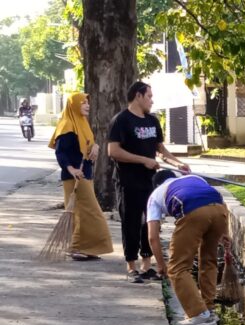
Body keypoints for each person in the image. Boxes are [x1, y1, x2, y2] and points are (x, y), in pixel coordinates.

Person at [108, 81, 190, 283]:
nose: (152, 101)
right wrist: (143, 160)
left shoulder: (152, 121)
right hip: (128, 181)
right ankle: (131, 266)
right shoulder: (121, 120)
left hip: (150, 182)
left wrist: (178, 164)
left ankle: (147, 265)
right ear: (138, 96)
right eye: (149, 97)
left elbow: (160, 149)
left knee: (150, 221)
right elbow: (113, 151)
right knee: (131, 222)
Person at [146, 170, 229, 325]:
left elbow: (152, 237)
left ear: (156, 185)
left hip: (192, 211)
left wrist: (161, 265)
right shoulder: (193, 178)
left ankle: (198, 314)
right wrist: (225, 232)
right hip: (219, 211)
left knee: (177, 267)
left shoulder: (155, 195)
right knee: (208, 260)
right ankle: (209, 308)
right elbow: (217, 200)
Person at [49, 93, 114, 261]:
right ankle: (76, 246)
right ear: (74, 105)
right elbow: (60, 152)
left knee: (85, 213)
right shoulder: (67, 125)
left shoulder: (82, 123)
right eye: (83, 103)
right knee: (89, 212)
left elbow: (87, 144)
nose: (87, 105)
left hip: (85, 174)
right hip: (74, 177)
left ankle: (87, 248)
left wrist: (96, 146)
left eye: (87, 102)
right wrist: (71, 169)